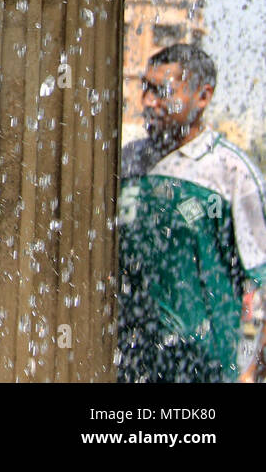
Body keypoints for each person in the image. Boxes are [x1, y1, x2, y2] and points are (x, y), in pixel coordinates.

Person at [117, 43, 266, 382]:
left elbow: (261, 283)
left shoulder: (232, 173)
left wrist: (248, 371)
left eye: (162, 91)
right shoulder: (127, 162)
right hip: (130, 363)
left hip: (207, 369)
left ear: (203, 96)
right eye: (145, 88)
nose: (148, 102)